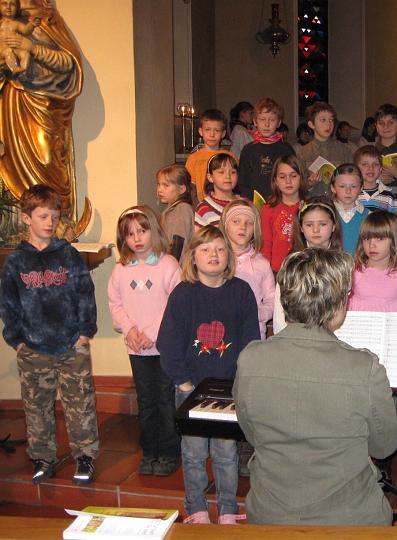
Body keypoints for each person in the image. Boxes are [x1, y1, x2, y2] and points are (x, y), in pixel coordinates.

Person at [233, 248, 397, 524]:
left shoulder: (250, 358)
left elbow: (252, 433)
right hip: (349, 518)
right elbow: (384, 446)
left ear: (285, 300)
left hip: (269, 513)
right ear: (336, 306)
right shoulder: (364, 367)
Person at [157, 226, 260, 524]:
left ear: (229, 256)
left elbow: (251, 342)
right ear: (193, 257)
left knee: (226, 452)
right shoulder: (183, 294)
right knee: (193, 453)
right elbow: (168, 342)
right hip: (190, 387)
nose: (213, 254)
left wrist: (240, 382)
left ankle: (227, 508)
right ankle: (197, 507)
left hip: (227, 389)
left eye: (220, 249)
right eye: (205, 249)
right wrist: (183, 382)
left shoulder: (241, 292)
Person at [0, 185, 99, 485]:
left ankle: (85, 456)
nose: (50, 222)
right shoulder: (16, 262)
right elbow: (8, 304)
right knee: (37, 407)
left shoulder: (68, 255)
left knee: (80, 404)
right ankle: (43, 457)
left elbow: (85, 293)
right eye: (43, 216)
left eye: (54, 217)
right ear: (26, 218)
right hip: (33, 348)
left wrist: (84, 333)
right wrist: (17, 340)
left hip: (71, 346)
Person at [107, 206, 181, 476]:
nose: (137, 238)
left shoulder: (168, 264)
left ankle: (169, 452)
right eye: (130, 234)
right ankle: (150, 451)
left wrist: (151, 332)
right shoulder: (121, 270)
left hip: (162, 347)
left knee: (165, 400)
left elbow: (175, 303)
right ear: (123, 238)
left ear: (154, 231)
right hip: (137, 348)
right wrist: (130, 330)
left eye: (142, 231)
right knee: (146, 401)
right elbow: (115, 304)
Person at [0, 0, 83, 217]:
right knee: (8, 166)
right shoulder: (5, 23)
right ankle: (19, 222)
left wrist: (32, 48)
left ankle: (54, 219)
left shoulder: (47, 19)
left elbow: (68, 64)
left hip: (45, 105)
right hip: (12, 103)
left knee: (47, 159)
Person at [273, 197, 343, 334]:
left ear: (334, 226)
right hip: (296, 335)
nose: (315, 230)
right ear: (301, 228)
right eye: (309, 225)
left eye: (322, 224)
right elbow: (280, 309)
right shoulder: (290, 264)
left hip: (332, 336)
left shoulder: (341, 264)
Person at [220, 199, 275, 340]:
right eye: (236, 221)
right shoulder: (217, 260)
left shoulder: (262, 264)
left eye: (249, 223)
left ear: (255, 229)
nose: (242, 227)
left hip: (253, 334)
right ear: (225, 225)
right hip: (221, 334)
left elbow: (271, 298)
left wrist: (261, 314)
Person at [348, 211, 397, 313]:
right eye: (367, 238)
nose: (371, 245)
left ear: (394, 240)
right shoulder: (353, 272)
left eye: (380, 238)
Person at [237, 98, 294, 199]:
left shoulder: (286, 149)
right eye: (262, 119)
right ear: (255, 121)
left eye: (272, 120)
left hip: (281, 200)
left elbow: (294, 178)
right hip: (255, 202)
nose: (267, 124)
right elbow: (242, 181)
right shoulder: (248, 150)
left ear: (279, 123)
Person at [295, 101, 354, 197]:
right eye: (323, 120)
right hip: (313, 201)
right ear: (311, 124)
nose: (328, 125)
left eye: (331, 120)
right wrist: (309, 184)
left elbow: (353, 178)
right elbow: (297, 185)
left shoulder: (344, 150)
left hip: (338, 202)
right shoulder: (303, 153)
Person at [260, 154, 306, 272]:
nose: (288, 181)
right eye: (282, 177)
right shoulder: (268, 209)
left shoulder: (308, 207)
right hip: (277, 271)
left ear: (301, 178)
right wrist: (266, 272)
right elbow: (266, 245)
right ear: (275, 181)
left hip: (303, 270)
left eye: (293, 176)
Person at [185, 109, 234, 202]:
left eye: (217, 130)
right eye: (207, 130)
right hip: (201, 204)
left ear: (223, 133)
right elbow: (191, 187)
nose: (212, 134)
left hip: (225, 204)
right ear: (201, 131)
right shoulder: (193, 158)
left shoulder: (230, 157)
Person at [157, 164, 194, 260]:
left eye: (166, 185)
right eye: (159, 184)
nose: (159, 190)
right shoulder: (171, 209)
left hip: (177, 265)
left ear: (182, 189)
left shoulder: (183, 208)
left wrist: (172, 265)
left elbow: (179, 242)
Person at [194, 153, 241, 229]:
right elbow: (200, 236)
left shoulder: (245, 204)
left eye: (233, 172)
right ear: (210, 177)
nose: (228, 176)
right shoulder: (203, 208)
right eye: (221, 172)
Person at [330, 164, 368, 254]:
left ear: (361, 188)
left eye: (353, 186)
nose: (348, 191)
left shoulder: (369, 216)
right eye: (342, 186)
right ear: (333, 188)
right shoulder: (327, 213)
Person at [0, 0, 40, 73]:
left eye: (12, 4)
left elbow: (26, 30)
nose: (8, 7)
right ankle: (15, 69)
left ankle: (22, 71)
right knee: (8, 52)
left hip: (15, 49)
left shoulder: (16, 24)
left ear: (17, 9)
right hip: (2, 49)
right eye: (4, 4)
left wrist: (32, 24)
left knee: (25, 54)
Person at [355, 145, 397, 213]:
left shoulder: (389, 197)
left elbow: (394, 218)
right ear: (356, 168)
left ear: (380, 168)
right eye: (365, 164)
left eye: (375, 164)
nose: (371, 168)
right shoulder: (352, 194)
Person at [374, 103, 397, 188]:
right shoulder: (370, 152)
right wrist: (376, 179)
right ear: (376, 127)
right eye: (381, 123)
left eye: (390, 122)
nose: (385, 126)